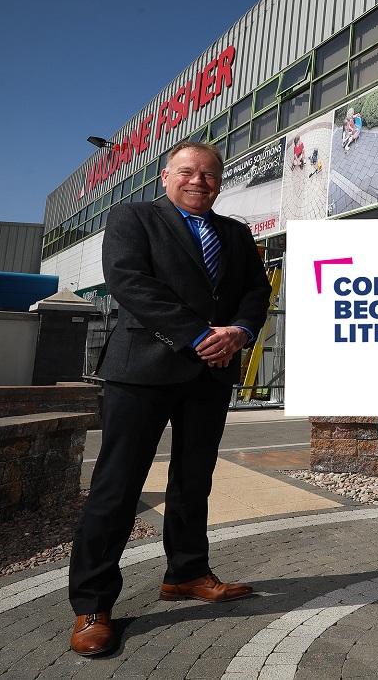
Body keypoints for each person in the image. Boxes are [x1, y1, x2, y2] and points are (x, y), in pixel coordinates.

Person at [68, 140, 273, 657]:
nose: (198, 181)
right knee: (116, 487)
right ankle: (92, 605)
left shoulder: (236, 232)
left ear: (220, 181)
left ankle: (186, 572)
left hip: (211, 375)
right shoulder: (132, 217)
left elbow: (256, 290)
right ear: (165, 176)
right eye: (187, 172)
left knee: (193, 480)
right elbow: (129, 282)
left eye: (209, 174)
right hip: (142, 371)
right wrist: (199, 335)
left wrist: (241, 333)